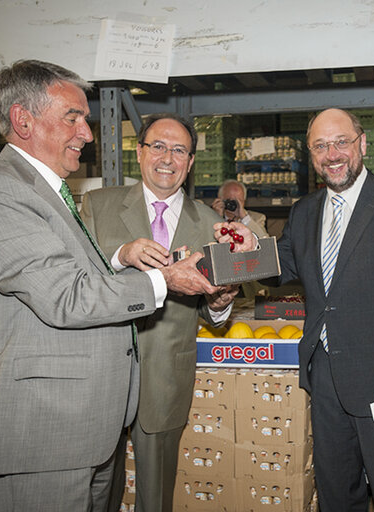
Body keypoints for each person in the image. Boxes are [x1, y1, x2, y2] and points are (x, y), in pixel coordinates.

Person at [0, 60, 234, 511]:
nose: (87, 133)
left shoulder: (48, 194)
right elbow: (68, 295)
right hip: (44, 428)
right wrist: (163, 278)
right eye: (73, 117)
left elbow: (75, 279)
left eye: (86, 118)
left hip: (95, 415)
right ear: (24, 120)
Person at [257, 108, 374, 511]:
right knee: (336, 493)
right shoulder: (304, 211)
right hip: (326, 375)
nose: (332, 154)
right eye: (320, 146)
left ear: (362, 144)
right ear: (310, 154)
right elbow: (279, 269)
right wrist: (246, 247)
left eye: (341, 142)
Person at [80, 112, 239, 512]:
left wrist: (221, 304)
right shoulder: (98, 206)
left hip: (166, 377)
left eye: (179, 150)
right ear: (140, 152)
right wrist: (121, 255)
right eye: (159, 146)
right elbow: (76, 281)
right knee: (95, 493)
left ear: (190, 162)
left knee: (156, 496)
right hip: (102, 376)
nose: (167, 158)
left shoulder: (212, 225)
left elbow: (212, 311)